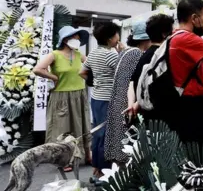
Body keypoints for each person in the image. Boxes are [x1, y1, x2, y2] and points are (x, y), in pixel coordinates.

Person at [141, 0, 203, 145]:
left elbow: (201, 67)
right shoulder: (187, 38)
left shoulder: (175, 37)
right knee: (194, 159)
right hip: (189, 113)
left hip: (179, 110)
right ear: (194, 18)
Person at [33, 26, 91, 164]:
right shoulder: (54, 54)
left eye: (78, 37)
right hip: (61, 97)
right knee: (62, 129)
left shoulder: (78, 55)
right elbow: (37, 69)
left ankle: (87, 156)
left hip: (79, 95)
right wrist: (53, 77)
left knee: (82, 126)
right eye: (74, 37)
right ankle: (63, 160)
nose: (77, 39)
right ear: (65, 40)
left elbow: (92, 65)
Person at [80, 22, 122, 176]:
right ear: (110, 38)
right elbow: (124, 74)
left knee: (98, 133)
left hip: (96, 98)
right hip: (108, 99)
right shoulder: (111, 54)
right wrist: (122, 54)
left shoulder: (93, 53)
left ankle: (96, 167)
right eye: (117, 34)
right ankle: (104, 170)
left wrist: (95, 81)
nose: (118, 37)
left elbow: (82, 72)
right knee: (107, 134)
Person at [103, 23, 147, 166]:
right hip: (125, 102)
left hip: (117, 101)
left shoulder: (126, 52)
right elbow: (132, 82)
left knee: (117, 141)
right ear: (144, 40)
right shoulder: (137, 54)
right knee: (125, 143)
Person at [129, 13, 175, 125]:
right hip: (158, 120)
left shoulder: (145, 56)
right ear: (165, 34)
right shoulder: (161, 56)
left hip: (145, 116)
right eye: (172, 32)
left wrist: (133, 104)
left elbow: (132, 83)